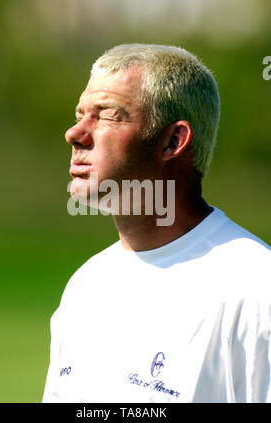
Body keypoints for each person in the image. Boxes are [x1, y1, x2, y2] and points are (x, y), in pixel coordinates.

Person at [43, 44, 271, 403]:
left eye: (107, 115)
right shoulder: (85, 287)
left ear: (172, 141)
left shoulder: (256, 291)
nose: (74, 133)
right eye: (80, 114)